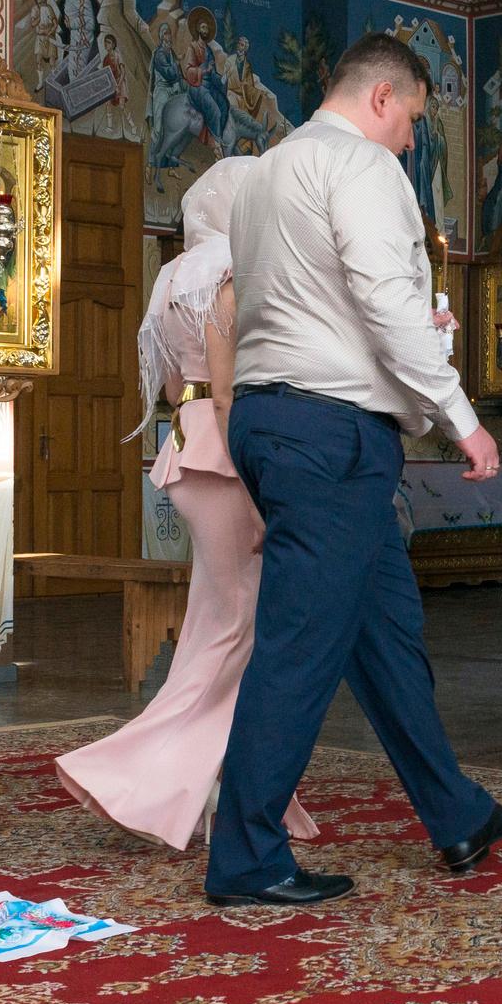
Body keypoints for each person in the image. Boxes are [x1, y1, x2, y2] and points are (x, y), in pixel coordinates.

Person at [208, 32, 502, 906]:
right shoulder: (364, 167)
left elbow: (280, 306)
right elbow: (388, 307)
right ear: (383, 97)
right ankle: (245, 858)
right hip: (332, 437)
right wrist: (463, 419)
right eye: (414, 122)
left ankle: (456, 813)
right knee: (298, 650)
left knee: (387, 637)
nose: (412, 143)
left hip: (275, 420)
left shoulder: (265, 170)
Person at [57, 160, 321, 849]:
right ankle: (140, 772)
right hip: (228, 458)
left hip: (187, 449)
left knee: (216, 620)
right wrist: (262, 491)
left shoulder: (172, 279)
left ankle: (221, 782)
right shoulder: (226, 276)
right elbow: (230, 394)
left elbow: (176, 386)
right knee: (237, 628)